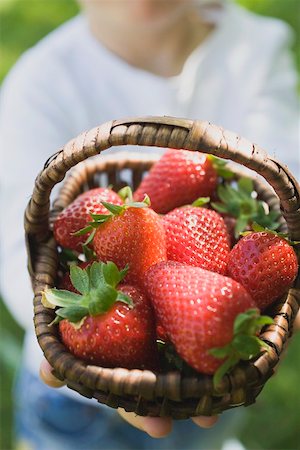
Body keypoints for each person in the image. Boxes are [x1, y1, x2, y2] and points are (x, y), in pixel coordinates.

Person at [0, 0, 299, 449]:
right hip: (74, 404)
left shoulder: (257, 48)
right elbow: (13, 243)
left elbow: (282, 186)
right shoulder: (40, 82)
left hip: (210, 380)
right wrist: (64, 331)